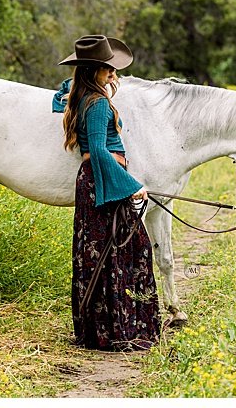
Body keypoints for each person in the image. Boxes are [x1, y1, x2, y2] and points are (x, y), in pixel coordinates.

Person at [52, 34, 160, 352]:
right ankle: (125, 330)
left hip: (96, 181)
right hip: (103, 181)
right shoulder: (97, 103)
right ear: (92, 71)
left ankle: (102, 331)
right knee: (133, 249)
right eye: (107, 70)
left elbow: (92, 146)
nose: (114, 75)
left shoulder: (83, 97)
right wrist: (132, 185)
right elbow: (99, 150)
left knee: (101, 256)